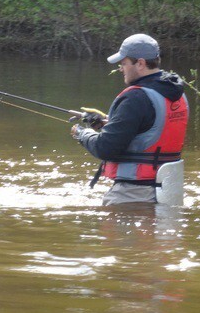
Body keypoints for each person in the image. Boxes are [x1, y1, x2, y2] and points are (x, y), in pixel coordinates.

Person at [71, 34, 189, 205]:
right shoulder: (176, 93)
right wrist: (106, 121)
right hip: (169, 192)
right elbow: (150, 127)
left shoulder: (136, 97)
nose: (120, 68)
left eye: (124, 63)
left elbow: (105, 148)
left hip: (134, 193)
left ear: (140, 63)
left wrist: (83, 134)